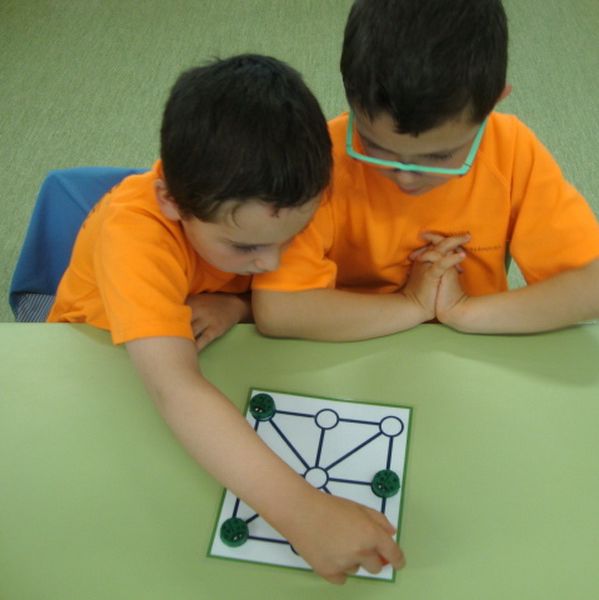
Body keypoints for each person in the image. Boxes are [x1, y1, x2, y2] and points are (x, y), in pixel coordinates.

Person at [47, 54, 404, 584]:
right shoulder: (134, 237)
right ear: (171, 201)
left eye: (288, 239)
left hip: (219, 355)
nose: (272, 263)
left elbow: (279, 293)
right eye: (245, 247)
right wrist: (304, 512)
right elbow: (175, 389)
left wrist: (238, 305)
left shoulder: (279, 202)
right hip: (100, 363)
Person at [252, 0, 599, 341]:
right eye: (376, 146)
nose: (405, 176)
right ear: (350, 94)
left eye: (439, 155)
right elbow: (279, 310)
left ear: (493, 103)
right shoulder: (320, 159)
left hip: (470, 342)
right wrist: (412, 304)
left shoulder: (511, 150)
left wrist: (461, 310)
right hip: (353, 346)